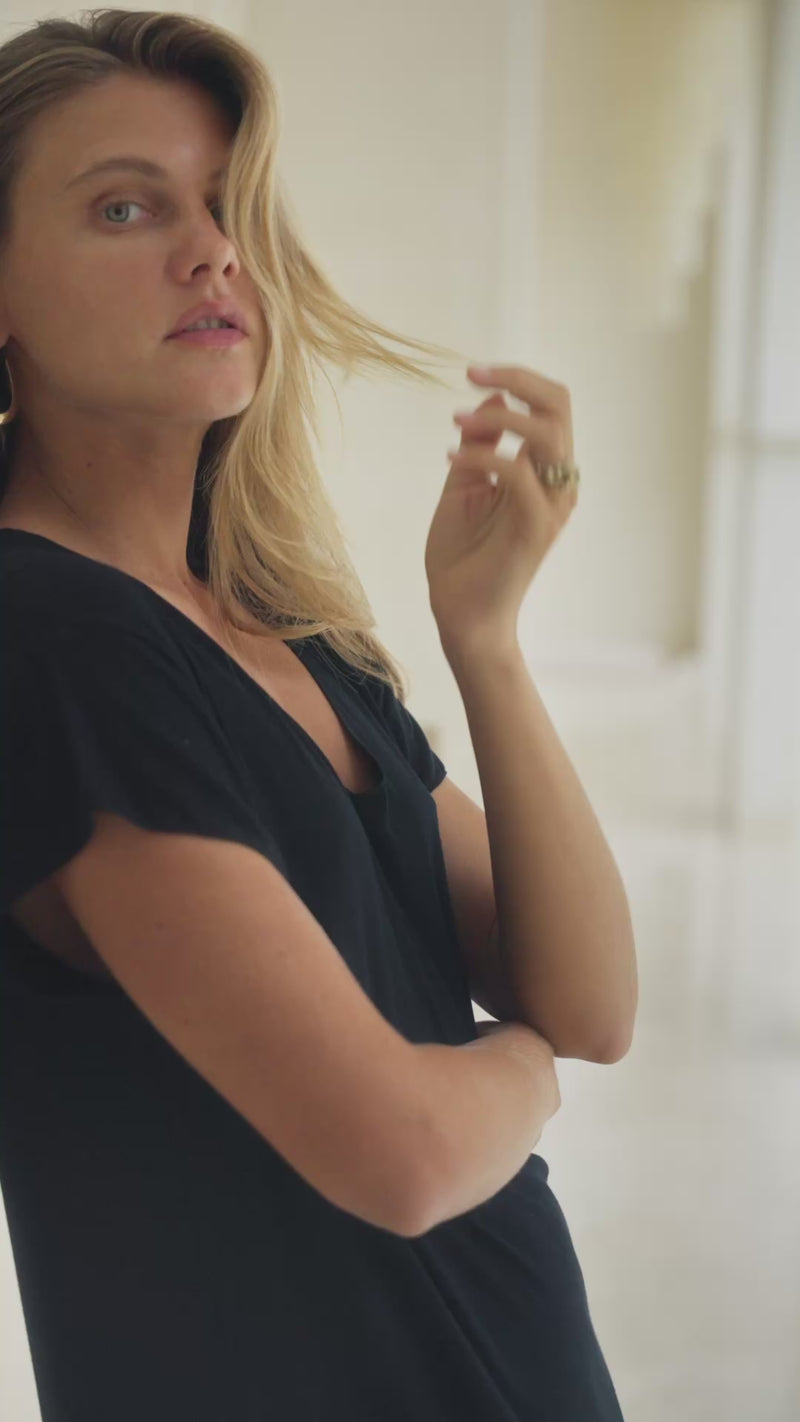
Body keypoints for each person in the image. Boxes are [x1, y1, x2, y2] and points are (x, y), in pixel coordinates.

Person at [0, 11, 626, 1420]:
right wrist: (517, 1072)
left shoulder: (282, 629)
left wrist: (487, 644)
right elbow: (404, 1153)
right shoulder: (50, 639)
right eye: (125, 207)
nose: (211, 251)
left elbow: (592, 1001)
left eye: (228, 205)